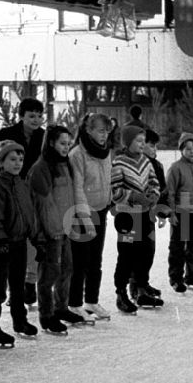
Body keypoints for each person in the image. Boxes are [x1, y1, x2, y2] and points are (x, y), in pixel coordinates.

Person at [0, 97, 45, 307]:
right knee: (10, 240)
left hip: (31, 192)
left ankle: (29, 284)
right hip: (6, 192)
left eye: (39, 116)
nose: (36, 120)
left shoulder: (43, 137)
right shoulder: (5, 134)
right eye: (31, 116)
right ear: (21, 116)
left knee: (31, 238)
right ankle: (6, 287)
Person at [29, 125, 81, 336]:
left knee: (67, 269)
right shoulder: (42, 168)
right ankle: (46, 315)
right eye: (62, 143)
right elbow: (43, 204)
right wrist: (50, 231)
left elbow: (68, 197)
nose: (66, 147)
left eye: (69, 144)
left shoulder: (65, 164)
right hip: (51, 231)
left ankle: (61, 307)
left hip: (65, 227)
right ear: (51, 143)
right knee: (49, 274)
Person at [0, 141, 37, 345]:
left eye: (21, 160)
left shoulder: (21, 184)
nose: (17, 163)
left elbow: (28, 213)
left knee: (18, 286)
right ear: (1, 161)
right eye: (12, 159)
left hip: (20, 243)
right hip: (3, 245)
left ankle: (20, 320)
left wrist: (35, 238)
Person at [111, 125, 163, 313]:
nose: (142, 145)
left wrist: (154, 195)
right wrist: (133, 196)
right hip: (127, 217)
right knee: (127, 255)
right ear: (128, 142)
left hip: (145, 214)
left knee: (145, 252)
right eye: (139, 141)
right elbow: (115, 191)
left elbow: (154, 182)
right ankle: (121, 293)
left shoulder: (146, 162)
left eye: (143, 141)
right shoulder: (119, 163)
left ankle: (141, 288)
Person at [68, 113, 113, 322]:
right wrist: (86, 219)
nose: (104, 135)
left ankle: (91, 300)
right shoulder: (77, 154)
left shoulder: (105, 152)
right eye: (100, 131)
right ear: (89, 130)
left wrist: (111, 202)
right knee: (80, 262)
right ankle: (75, 303)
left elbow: (107, 180)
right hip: (81, 215)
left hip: (100, 210)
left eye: (107, 131)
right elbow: (77, 188)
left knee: (96, 260)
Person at [164, 132, 193, 292]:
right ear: (182, 150)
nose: (192, 151)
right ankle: (176, 278)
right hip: (181, 213)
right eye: (188, 149)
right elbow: (170, 192)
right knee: (178, 247)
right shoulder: (176, 168)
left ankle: (192, 275)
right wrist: (172, 213)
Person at [131, 128, 167, 301]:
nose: (155, 149)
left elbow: (162, 190)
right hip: (135, 214)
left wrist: (162, 212)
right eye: (151, 145)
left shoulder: (156, 165)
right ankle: (136, 287)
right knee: (137, 250)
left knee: (149, 250)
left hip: (150, 214)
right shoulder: (135, 163)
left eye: (155, 146)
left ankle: (143, 282)